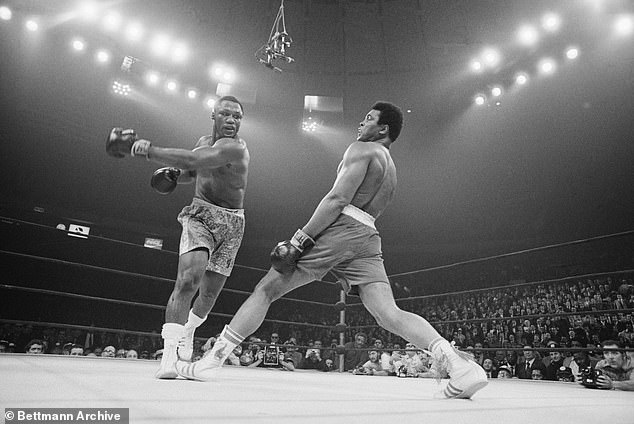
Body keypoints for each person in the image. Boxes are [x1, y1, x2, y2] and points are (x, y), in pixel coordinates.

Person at [176, 101, 487, 399]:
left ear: (383, 129)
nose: (361, 122)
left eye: (369, 118)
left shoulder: (360, 149)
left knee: (266, 289)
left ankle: (210, 362)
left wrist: (301, 238)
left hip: (342, 229)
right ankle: (460, 366)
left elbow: (338, 199)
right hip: (368, 235)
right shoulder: (390, 167)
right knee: (388, 314)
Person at [106, 96, 249, 379]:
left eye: (237, 117)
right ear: (214, 115)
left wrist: (149, 150)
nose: (231, 121)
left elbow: (196, 159)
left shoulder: (236, 147)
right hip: (200, 216)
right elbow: (192, 170)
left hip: (232, 224)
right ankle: (168, 357)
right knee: (187, 281)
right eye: (225, 114)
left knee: (208, 295)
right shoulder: (202, 141)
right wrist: (174, 173)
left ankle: (189, 331)